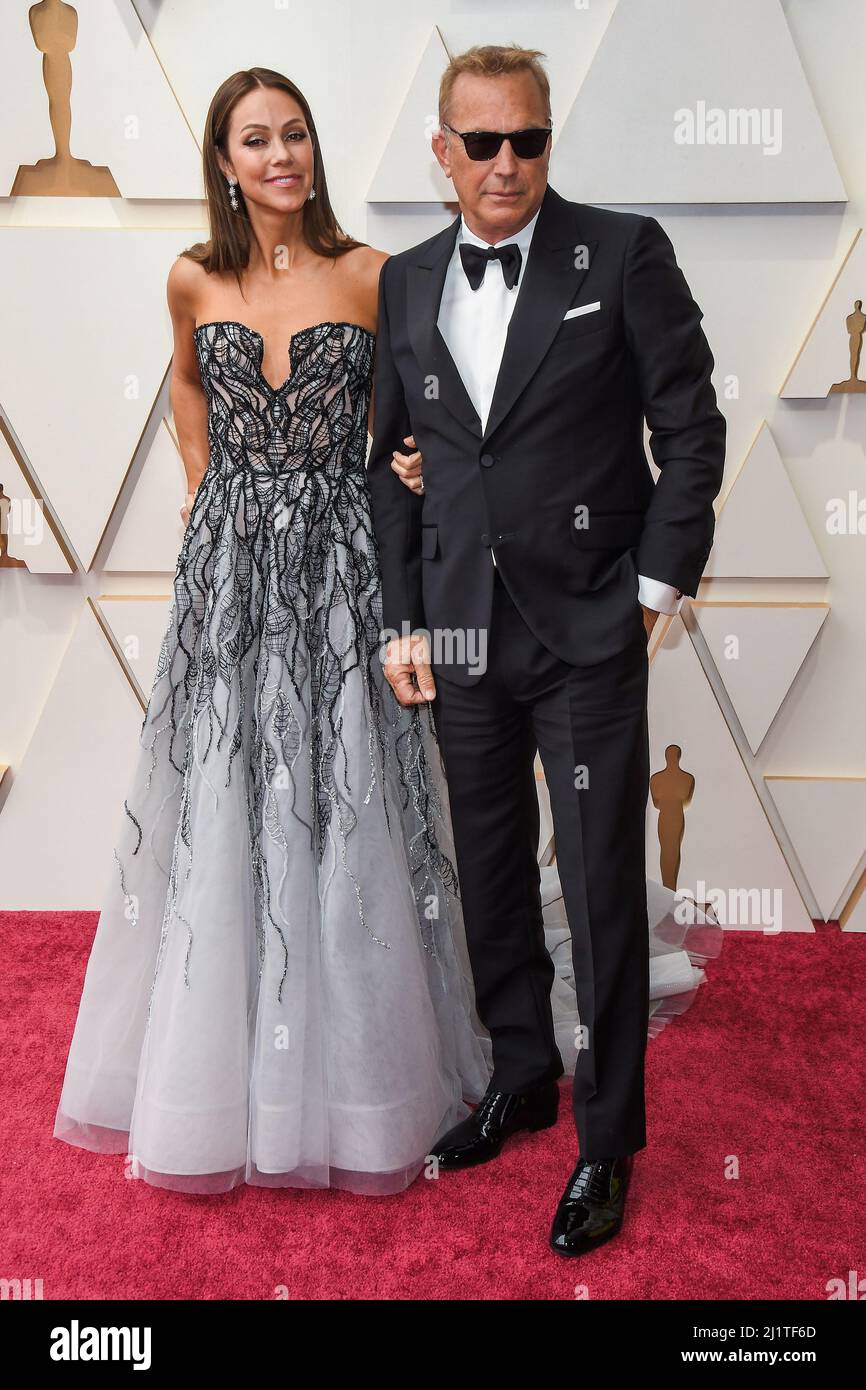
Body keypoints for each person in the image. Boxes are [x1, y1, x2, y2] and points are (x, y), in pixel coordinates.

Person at [52, 66, 490, 1196]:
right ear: (223, 162)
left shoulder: (371, 274)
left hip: (344, 570)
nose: (280, 155)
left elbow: (418, 421)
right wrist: (223, 521)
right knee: (227, 796)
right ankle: (219, 1071)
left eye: (294, 133)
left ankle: (362, 1083)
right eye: (255, 140)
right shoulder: (192, 277)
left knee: (342, 798)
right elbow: (191, 415)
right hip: (232, 576)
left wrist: (407, 469)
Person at [367, 44, 726, 1254]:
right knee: (488, 870)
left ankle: (606, 1139)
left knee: (600, 885)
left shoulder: (621, 254)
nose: (506, 162)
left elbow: (689, 426)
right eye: (482, 142)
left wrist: (652, 588)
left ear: (547, 142)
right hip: (461, 629)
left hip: (586, 631)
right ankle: (520, 1075)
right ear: (442, 151)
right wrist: (404, 616)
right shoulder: (406, 283)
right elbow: (396, 463)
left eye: (527, 138)